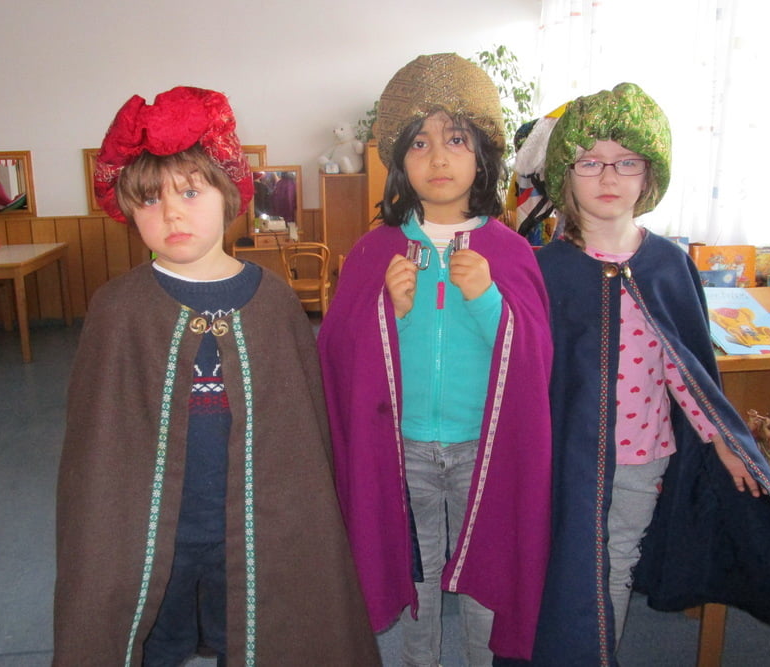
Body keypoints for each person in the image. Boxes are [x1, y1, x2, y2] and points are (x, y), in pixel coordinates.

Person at [498, 82, 770, 666]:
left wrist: (723, 440)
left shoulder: (667, 264)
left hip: (643, 453)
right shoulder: (545, 269)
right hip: (564, 456)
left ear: (649, 175)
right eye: (590, 162)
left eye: (626, 162)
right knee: (563, 562)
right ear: (566, 175)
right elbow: (523, 371)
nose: (609, 176)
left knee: (615, 560)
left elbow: (687, 369)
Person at [53, 86, 380, 666]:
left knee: (263, 640)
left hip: (259, 535)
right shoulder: (117, 309)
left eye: (189, 191)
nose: (171, 212)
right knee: (150, 645)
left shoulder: (274, 302)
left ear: (228, 193)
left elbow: (303, 442)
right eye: (149, 198)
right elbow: (95, 454)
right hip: (150, 538)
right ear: (126, 209)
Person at [318, 53, 554, 666]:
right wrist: (389, 314)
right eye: (420, 143)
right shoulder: (376, 251)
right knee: (417, 577)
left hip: (484, 447)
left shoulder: (510, 252)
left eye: (456, 140)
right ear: (400, 161)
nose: (439, 158)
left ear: (482, 155)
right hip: (407, 446)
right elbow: (339, 354)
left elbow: (534, 359)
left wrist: (488, 299)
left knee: (485, 575)